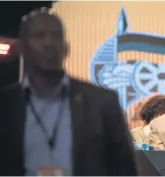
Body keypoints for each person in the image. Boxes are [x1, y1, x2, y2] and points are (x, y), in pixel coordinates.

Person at [0, 8, 137, 176]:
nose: (48, 43)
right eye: (39, 36)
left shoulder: (101, 101)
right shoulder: (6, 104)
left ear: (66, 48)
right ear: (21, 48)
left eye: (56, 36)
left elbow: (125, 169)